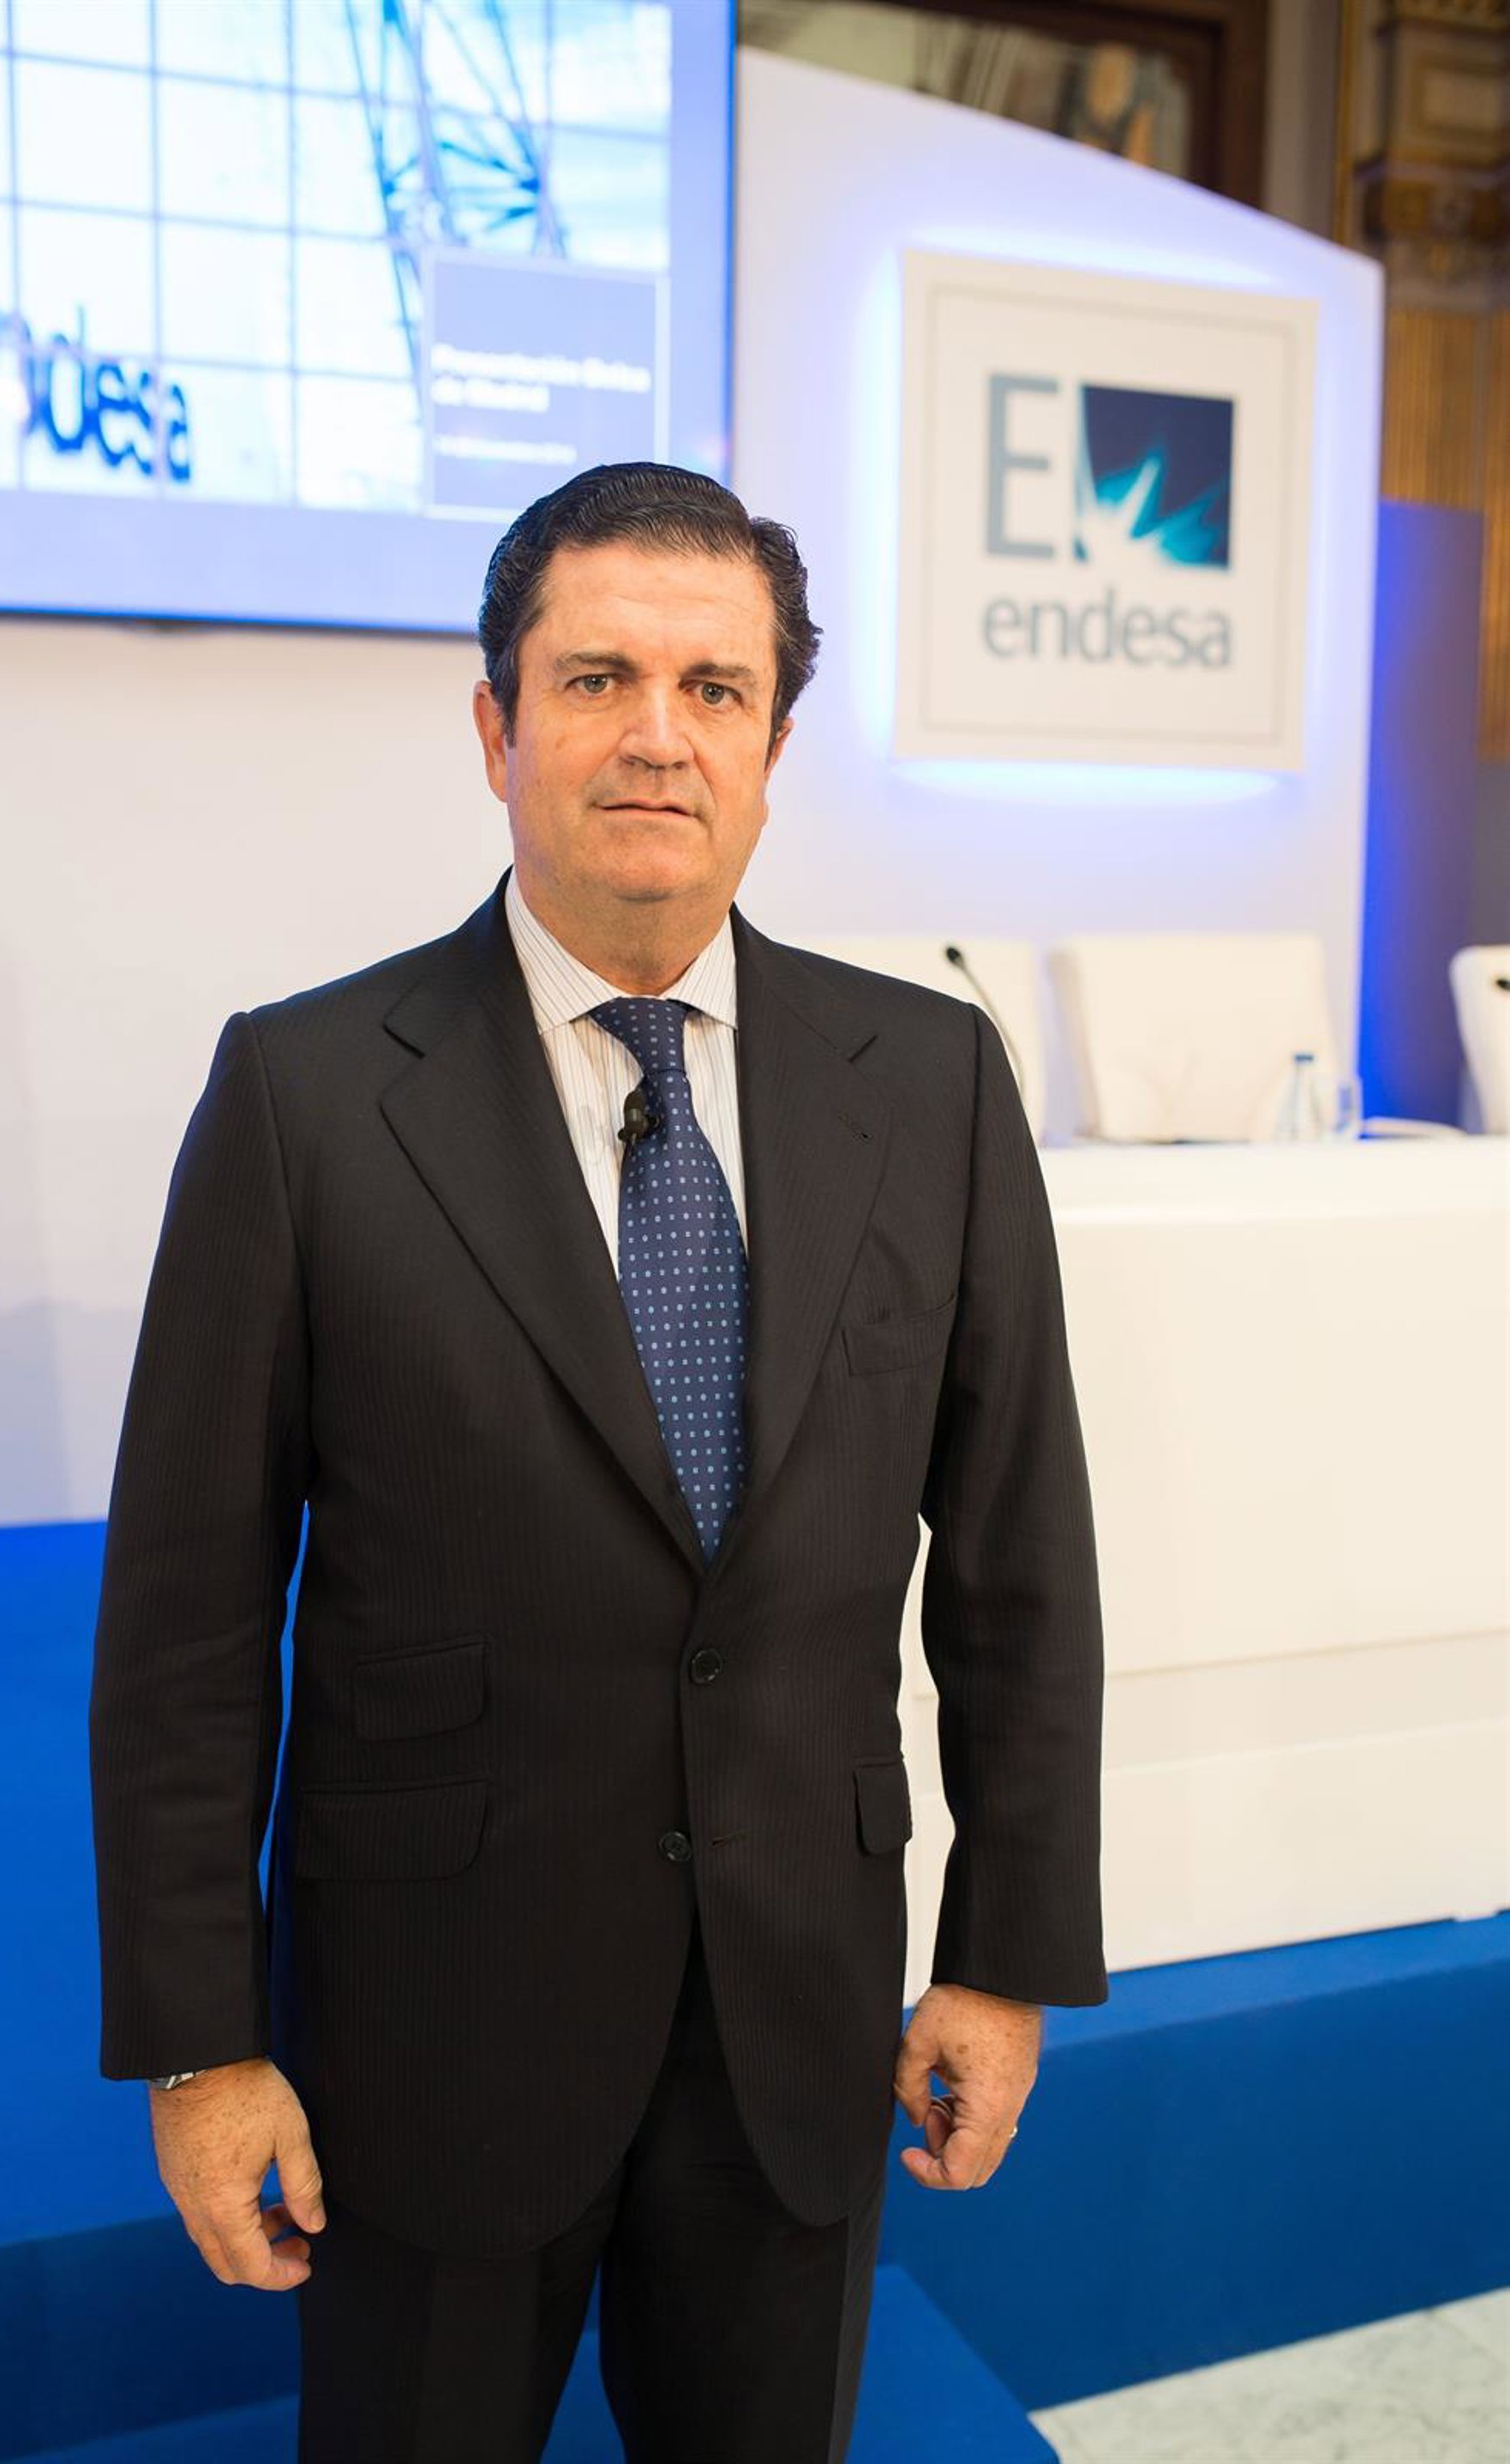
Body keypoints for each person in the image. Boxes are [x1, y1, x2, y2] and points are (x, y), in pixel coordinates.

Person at [87, 459, 1106, 2463]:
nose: (660, 735)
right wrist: (200, 2044)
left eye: (716, 689)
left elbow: (1021, 1564)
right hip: (431, 2030)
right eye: (597, 679)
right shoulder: (305, 1094)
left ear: (774, 748)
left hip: (799, 2017)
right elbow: (189, 1617)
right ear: (497, 728)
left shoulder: (934, 1083)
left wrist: (1005, 1957)